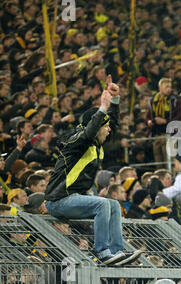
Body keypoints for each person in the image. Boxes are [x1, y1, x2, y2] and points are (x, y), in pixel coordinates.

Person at [44, 75, 141, 266]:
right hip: (58, 199)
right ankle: (103, 252)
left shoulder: (96, 144)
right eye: (104, 126)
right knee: (102, 204)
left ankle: (117, 252)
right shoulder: (78, 140)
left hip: (73, 198)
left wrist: (114, 100)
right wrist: (103, 107)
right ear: (95, 125)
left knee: (113, 205)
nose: (109, 130)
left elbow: (112, 124)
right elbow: (90, 130)